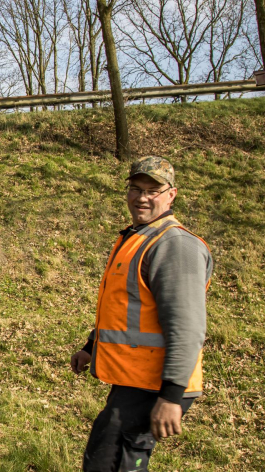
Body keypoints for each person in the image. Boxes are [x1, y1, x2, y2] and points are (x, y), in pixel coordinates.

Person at [70, 156, 213, 472]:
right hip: (136, 379)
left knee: (109, 463)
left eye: (153, 190)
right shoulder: (137, 238)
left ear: (171, 195)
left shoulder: (174, 245)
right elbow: (125, 307)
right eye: (136, 189)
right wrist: (91, 347)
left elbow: (187, 327)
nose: (142, 197)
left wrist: (171, 397)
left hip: (155, 385)